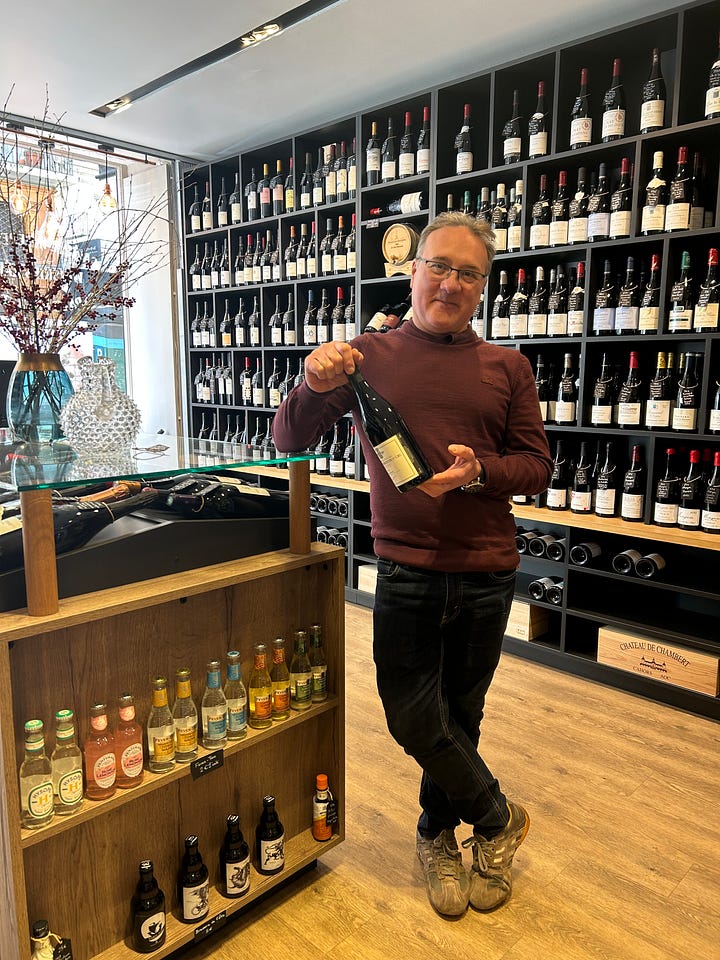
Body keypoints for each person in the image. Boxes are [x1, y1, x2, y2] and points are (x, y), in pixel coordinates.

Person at [273, 211, 552, 917]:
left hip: (487, 569)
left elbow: (537, 468)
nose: (450, 282)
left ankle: (439, 836)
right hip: (405, 569)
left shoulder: (507, 367)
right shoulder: (366, 358)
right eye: (438, 265)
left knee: (462, 713)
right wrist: (309, 380)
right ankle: (497, 817)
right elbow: (288, 437)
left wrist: (479, 471)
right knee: (409, 715)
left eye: (468, 272)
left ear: (483, 286)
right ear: (412, 270)